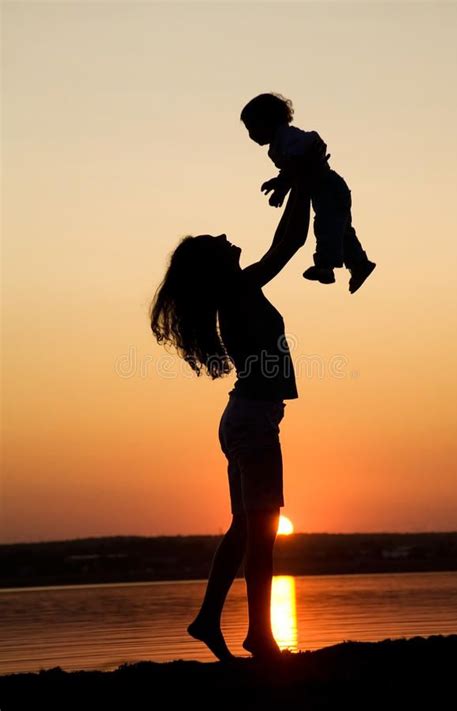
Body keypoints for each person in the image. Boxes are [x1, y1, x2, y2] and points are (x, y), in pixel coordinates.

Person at [149, 180, 311, 661]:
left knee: (245, 527)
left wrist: (302, 183)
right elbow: (290, 244)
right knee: (259, 534)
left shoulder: (237, 291)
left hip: (244, 418)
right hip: (253, 421)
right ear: (217, 266)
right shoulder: (239, 290)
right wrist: (304, 181)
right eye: (216, 242)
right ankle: (260, 635)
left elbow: (290, 242)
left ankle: (206, 620)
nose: (225, 236)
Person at [240, 92, 376, 293]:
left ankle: (325, 266)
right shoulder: (279, 145)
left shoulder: (287, 138)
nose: (251, 135)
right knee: (341, 231)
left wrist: (282, 185)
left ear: (268, 122)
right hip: (323, 189)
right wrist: (281, 185)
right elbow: (294, 170)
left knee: (327, 226)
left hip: (328, 186)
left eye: (253, 128)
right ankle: (359, 264)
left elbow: (306, 153)